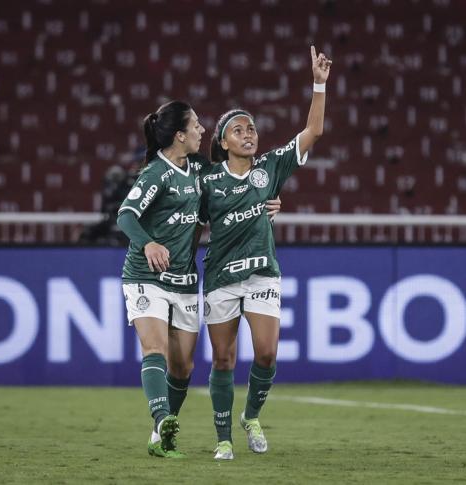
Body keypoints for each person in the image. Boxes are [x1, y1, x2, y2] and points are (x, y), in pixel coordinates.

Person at [116, 101, 283, 458]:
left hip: (185, 280)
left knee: (184, 367)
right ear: (179, 135)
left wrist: (269, 199)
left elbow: (235, 187)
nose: (202, 130)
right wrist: (148, 243)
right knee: (155, 348)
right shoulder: (155, 174)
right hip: (146, 276)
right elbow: (126, 216)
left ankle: (161, 435)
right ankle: (162, 420)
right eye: (195, 126)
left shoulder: (197, 171)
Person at [200, 45, 332, 460]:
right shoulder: (206, 182)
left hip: (261, 273)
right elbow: (187, 223)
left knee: (267, 351)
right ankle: (223, 438)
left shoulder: (270, 167)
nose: (249, 133)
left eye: (251, 127)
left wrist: (319, 85)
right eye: (238, 129)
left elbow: (313, 133)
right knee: (223, 359)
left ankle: (251, 416)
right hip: (221, 275)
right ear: (222, 142)